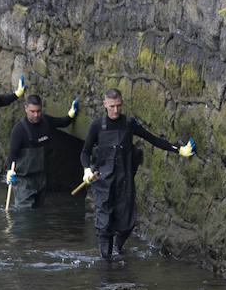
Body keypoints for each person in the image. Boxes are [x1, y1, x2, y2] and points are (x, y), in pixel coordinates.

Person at [79, 88, 194, 261]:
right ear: (105, 105)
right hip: (102, 182)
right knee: (104, 224)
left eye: (118, 106)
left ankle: (117, 247)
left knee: (127, 222)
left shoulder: (129, 123)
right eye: (112, 106)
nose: (116, 110)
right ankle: (106, 263)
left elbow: (152, 138)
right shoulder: (97, 126)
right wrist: (86, 170)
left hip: (124, 181)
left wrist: (179, 150)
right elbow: (85, 152)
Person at [5, 94, 78, 208]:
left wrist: (71, 114)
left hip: (40, 177)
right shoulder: (19, 130)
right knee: (26, 213)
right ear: (26, 109)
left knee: (38, 211)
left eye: (38, 111)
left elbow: (62, 122)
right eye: (32, 111)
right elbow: (12, 154)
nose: (36, 115)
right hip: (24, 179)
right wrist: (9, 171)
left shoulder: (45, 121)